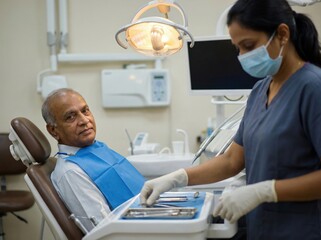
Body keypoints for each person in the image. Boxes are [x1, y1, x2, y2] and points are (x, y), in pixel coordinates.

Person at [140, 0, 321, 239]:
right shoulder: (260, 90)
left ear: (282, 34)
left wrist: (265, 191)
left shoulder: (313, 88)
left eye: (248, 45)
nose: (243, 56)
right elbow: (232, 160)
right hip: (262, 230)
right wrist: (178, 177)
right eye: (238, 49)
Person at [41, 88, 145, 232]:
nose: (84, 120)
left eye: (85, 111)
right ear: (53, 130)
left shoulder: (97, 148)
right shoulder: (70, 172)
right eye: (71, 117)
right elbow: (105, 231)